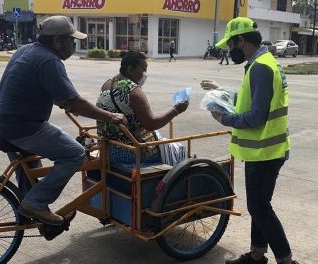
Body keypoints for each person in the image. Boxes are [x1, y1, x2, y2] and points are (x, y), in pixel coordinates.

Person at [0, 16, 126, 226]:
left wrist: (60, 100)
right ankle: (34, 203)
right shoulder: (49, 61)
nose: (74, 45)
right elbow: (76, 102)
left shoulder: (25, 50)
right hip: (22, 127)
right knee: (75, 154)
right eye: (71, 41)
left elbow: (32, 86)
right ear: (57, 41)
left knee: (31, 167)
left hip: (1, 123)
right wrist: (111, 116)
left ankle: (35, 215)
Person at [200, 17, 298, 264]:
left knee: (260, 208)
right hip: (264, 150)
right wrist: (219, 89)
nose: (230, 51)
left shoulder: (261, 68)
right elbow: (248, 98)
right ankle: (256, 255)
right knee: (259, 206)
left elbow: (255, 116)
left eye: (231, 45)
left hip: (265, 152)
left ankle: (286, 260)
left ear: (240, 40)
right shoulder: (260, 64)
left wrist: (224, 119)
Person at [97, 50, 188, 167]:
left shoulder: (108, 83)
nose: (145, 74)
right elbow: (151, 124)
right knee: (178, 150)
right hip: (129, 152)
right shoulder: (133, 91)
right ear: (130, 69)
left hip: (107, 148)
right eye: (143, 69)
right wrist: (176, 110)